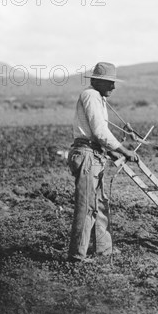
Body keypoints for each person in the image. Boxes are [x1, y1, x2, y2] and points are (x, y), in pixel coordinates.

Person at [67, 62, 139, 262]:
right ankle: (76, 257)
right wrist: (124, 150)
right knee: (87, 206)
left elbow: (99, 134)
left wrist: (115, 152)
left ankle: (104, 250)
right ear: (96, 81)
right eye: (109, 83)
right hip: (87, 155)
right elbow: (99, 132)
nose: (113, 87)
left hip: (95, 155)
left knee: (99, 204)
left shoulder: (98, 97)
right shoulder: (90, 95)